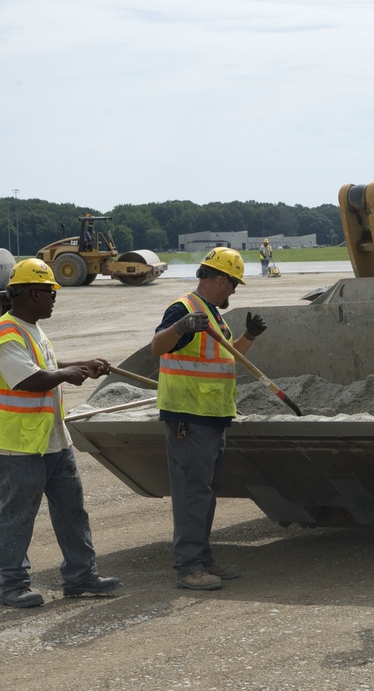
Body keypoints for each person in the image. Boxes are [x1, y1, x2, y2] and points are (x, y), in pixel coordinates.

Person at [0, 258, 121, 608]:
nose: (55, 298)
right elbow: (29, 379)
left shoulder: (32, 329)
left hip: (51, 439)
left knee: (72, 509)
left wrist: (80, 365)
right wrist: (66, 373)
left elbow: (44, 367)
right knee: (17, 514)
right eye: (50, 292)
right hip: (19, 443)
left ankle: (80, 575)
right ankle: (11, 585)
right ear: (30, 294)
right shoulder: (5, 333)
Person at [150, 246, 268, 591]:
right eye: (233, 284)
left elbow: (227, 358)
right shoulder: (185, 309)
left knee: (205, 492)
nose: (233, 291)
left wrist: (249, 337)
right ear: (219, 279)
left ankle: (201, 557)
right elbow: (157, 347)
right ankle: (188, 567)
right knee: (191, 492)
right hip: (189, 416)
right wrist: (181, 327)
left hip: (212, 416)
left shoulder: (212, 314)